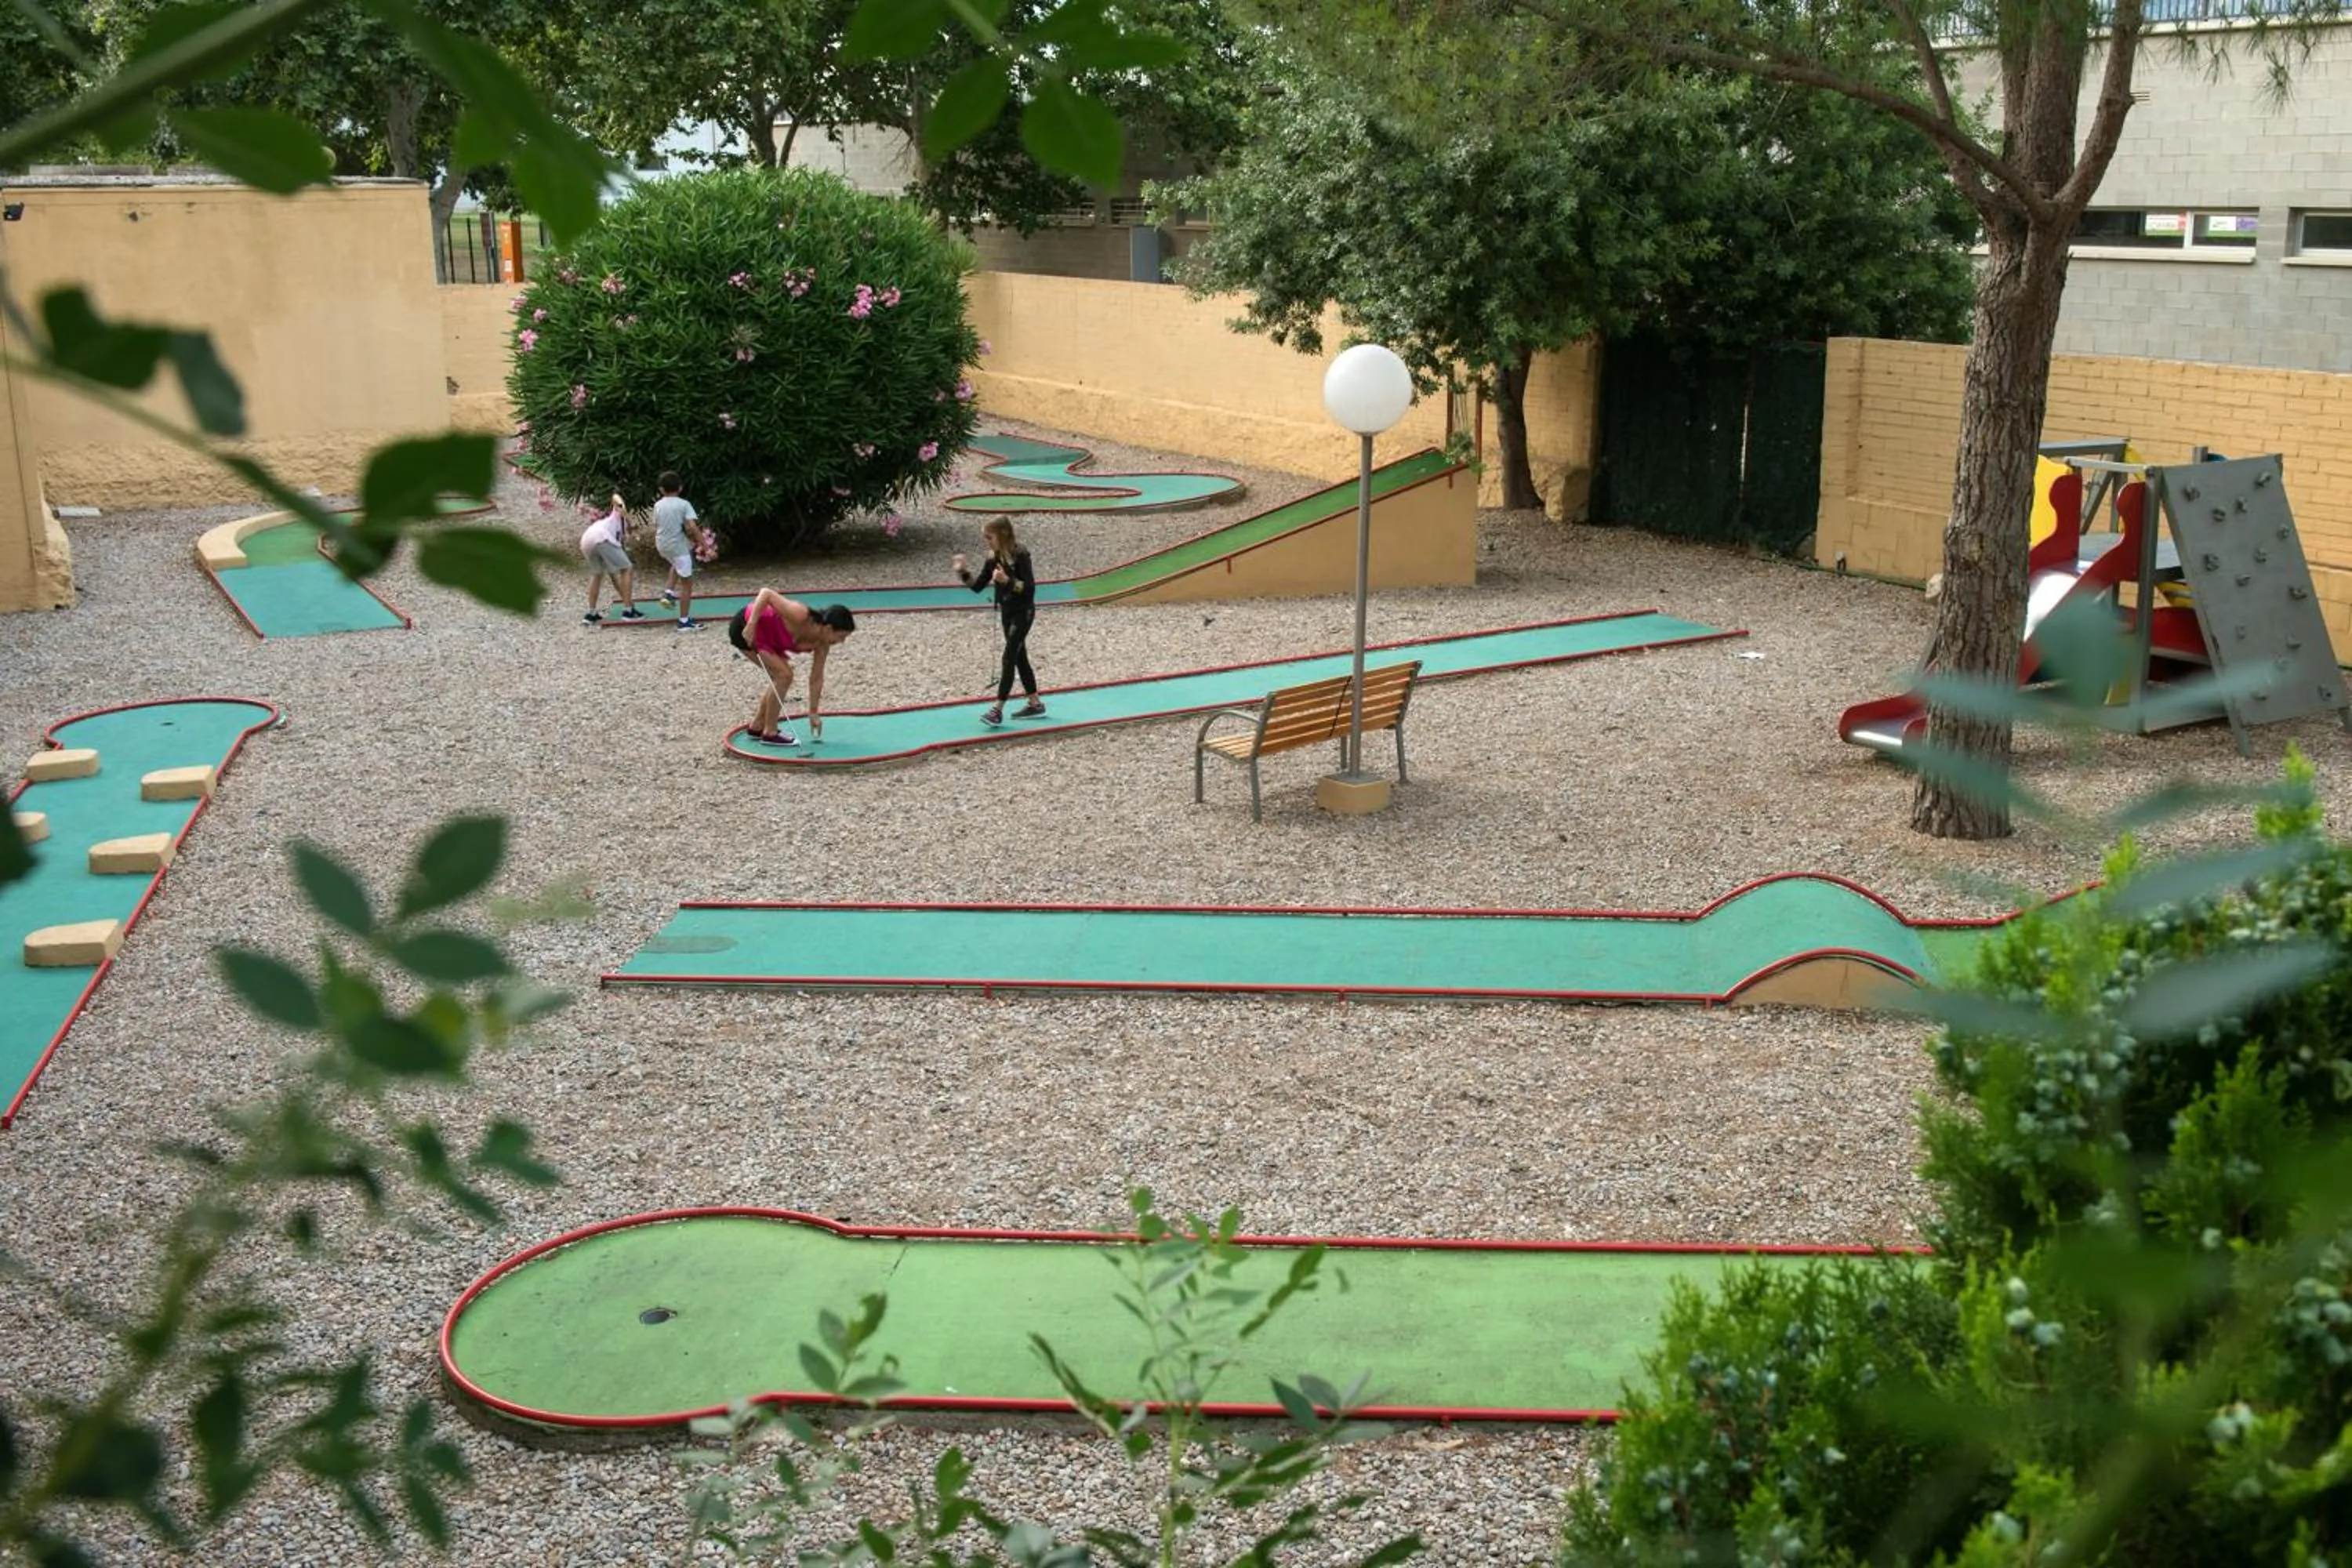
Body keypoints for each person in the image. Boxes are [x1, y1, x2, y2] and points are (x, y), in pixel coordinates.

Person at [728, 589, 858, 746]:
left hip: (768, 639)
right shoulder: (800, 614)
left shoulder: (822, 644)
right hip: (745, 627)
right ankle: (770, 732)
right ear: (829, 628)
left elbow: (816, 678)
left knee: (781, 676)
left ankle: (757, 726)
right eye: (841, 636)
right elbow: (766, 594)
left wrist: (813, 712)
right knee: (784, 675)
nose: (842, 642)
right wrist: (752, 624)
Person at [953, 518, 1045, 726]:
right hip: (1006, 612)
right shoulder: (993, 557)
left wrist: (1008, 582)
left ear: (1003, 534)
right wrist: (962, 572)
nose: (987, 542)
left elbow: (1029, 588)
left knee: (1009, 657)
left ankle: (997, 709)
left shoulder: (1021, 555)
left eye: (989, 537)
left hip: (1024, 612)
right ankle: (1035, 703)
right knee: (1020, 656)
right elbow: (977, 586)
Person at [651, 470, 710, 631]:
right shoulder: (684, 504)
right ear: (681, 487)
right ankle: (684, 622)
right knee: (687, 584)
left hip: (661, 544)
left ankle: (669, 592)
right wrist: (706, 548)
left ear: (661, 490)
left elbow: (657, 525)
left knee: (676, 563)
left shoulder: (657, 505)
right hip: (677, 545)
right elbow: (692, 527)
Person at [577, 493, 644, 624]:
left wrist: (627, 600)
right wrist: (626, 513)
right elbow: (615, 497)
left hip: (587, 540)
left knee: (597, 574)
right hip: (600, 537)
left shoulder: (619, 534)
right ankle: (628, 612)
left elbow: (616, 578)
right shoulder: (617, 515)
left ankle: (591, 614)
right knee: (628, 568)